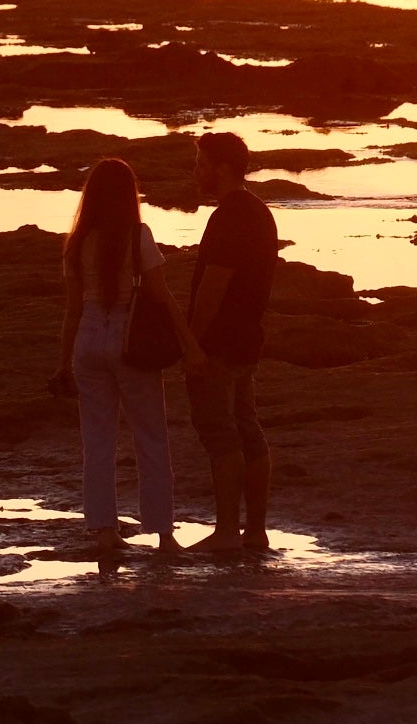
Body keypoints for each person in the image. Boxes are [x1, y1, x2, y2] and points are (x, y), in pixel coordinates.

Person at [49, 156, 196, 575]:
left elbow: (72, 309)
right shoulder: (138, 235)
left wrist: (63, 363)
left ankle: (103, 530)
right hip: (130, 341)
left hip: (88, 340)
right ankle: (163, 534)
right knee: (150, 436)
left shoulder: (77, 242)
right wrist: (190, 346)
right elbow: (162, 296)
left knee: (97, 442)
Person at [183, 131, 279, 561]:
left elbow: (213, 286)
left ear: (222, 168)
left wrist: (191, 344)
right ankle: (254, 530)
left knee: (222, 435)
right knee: (246, 428)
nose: (196, 171)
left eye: (201, 163)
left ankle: (226, 530)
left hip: (220, 344)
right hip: (246, 340)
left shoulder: (229, 217)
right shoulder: (259, 212)